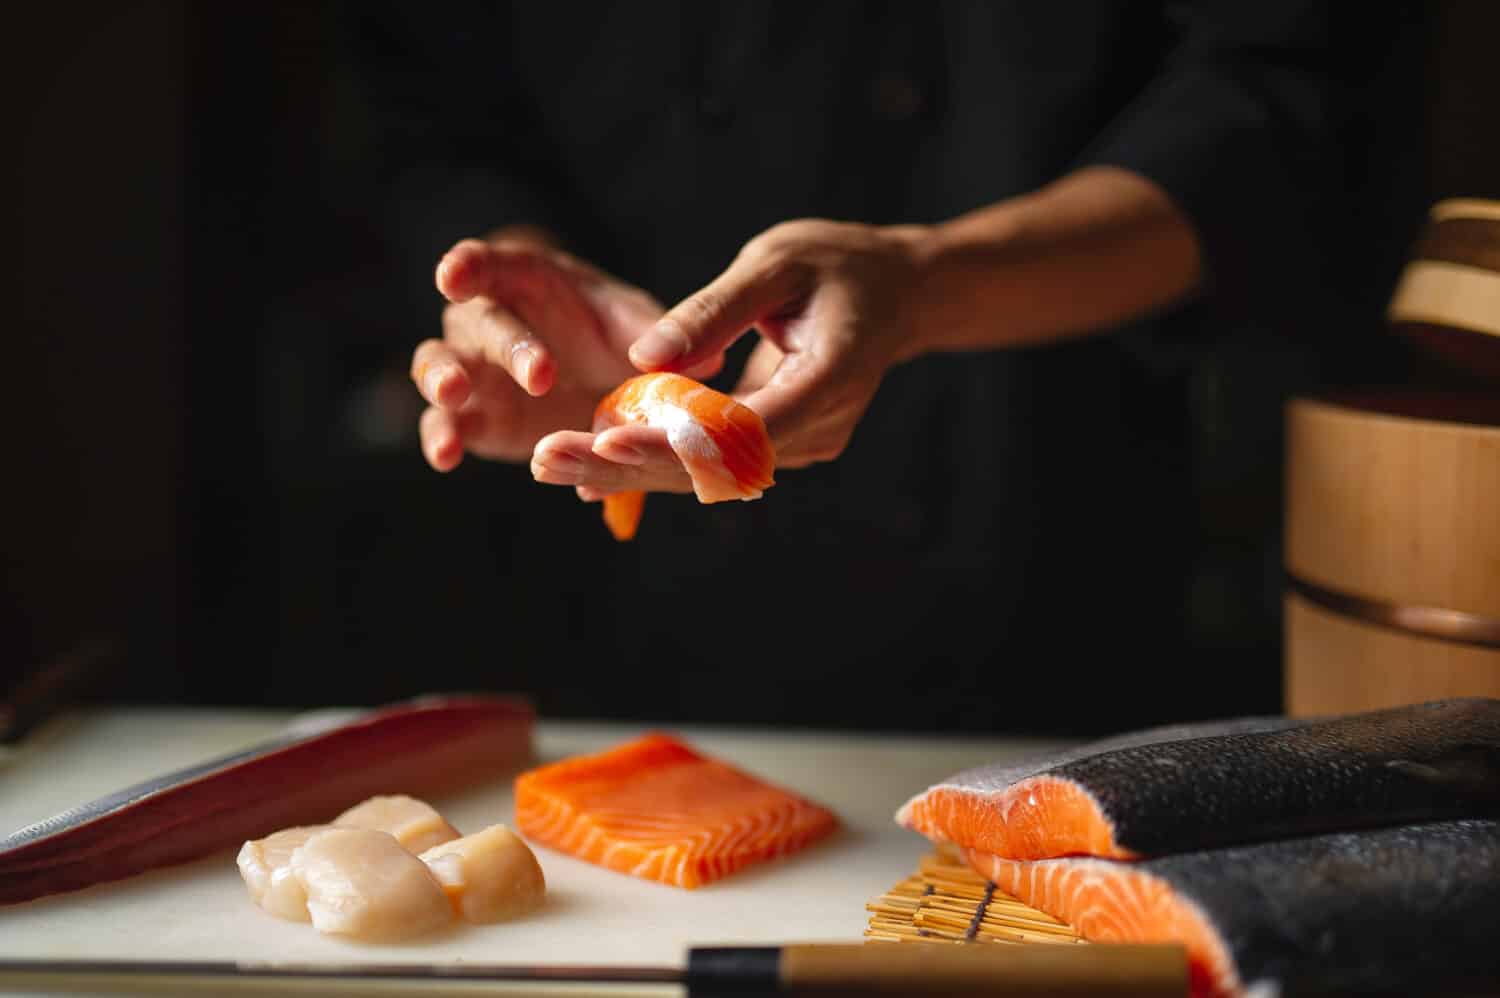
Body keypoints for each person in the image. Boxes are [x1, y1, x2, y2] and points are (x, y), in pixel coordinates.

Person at [347, 2, 1419, 732]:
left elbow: (1279, 108)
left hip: (1049, 547)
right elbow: (426, 108)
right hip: (616, 610)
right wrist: (517, 284)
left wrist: (924, 280)